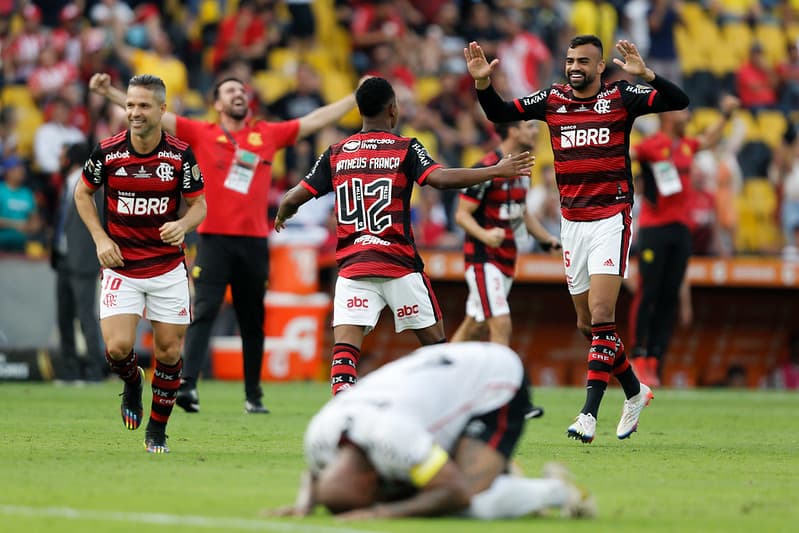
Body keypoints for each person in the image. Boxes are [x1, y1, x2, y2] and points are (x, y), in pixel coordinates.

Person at [89, 69, 360, 415]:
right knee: (204, 312)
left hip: (253, 241)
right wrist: (111, 92)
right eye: (230, 90)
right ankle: (187, 387)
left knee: (253, 318)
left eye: (242, 90)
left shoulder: (266, 134)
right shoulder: (203, 132)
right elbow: (155, 112)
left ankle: (253, 394)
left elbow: (312, 121)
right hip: (213, 238)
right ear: (217, 103)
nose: (238, 94)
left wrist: (354, 99)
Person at [464, 35, 690, 443]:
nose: (574, 67)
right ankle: (636, 392)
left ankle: (588, 414)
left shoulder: (623, 96)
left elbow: (679, 100)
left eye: (583, 61)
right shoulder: (553, 99)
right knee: (588, 325)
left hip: (611, 217)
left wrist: (647, 75)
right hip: (573, 224)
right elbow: (500, 112)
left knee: (603, 313)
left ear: (600, 66)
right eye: (570, 60)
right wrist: (483, 83)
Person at [275, 77, 535, 396]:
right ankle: (446, 405)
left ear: (360, 110)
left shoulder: (336, 153)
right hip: (398, 266)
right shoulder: (405, 148)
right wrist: (494, 170)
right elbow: (439, 179)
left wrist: (282, 215)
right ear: (393, 110)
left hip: (354, 267)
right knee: (436, 347)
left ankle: (343, 414)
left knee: (344, 352)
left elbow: (292, 198)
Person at [267, 342, 595, 519]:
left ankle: (557, 491)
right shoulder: (318, 436)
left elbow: (455, 492)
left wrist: (384, 512)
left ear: (371, 478)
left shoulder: (395, 440)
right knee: (424, 484)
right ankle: (501, 471)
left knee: (468, 504)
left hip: (493, 378)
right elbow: (316, 473)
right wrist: (305, 504)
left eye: (372, 496)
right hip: (439, 381)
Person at [74, 75, 206, 453]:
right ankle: (133, 383)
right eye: (130, 104)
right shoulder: (108, 152)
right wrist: (101, 238)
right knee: (117, 348)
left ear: (162, 110)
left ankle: (157, 431)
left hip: (166, 268)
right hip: (122, 266)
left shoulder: (179, 155)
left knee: (168, 354)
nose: (134, 112)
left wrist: (182, 224)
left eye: (143, 105)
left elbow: (200, 205)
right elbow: (82, 193)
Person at [628, 95, 740, 386]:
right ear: (667, 116)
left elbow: (709, 140)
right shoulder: (652, 144)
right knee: (648, 292)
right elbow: (625, 156)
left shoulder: (686, 146)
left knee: (669, 296)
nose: (688, 115)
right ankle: (638, 356)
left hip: (681, 231)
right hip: (654, 228)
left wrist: (725, 116)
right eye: (683, 111)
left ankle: (656, 359)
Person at [451, 120, 561, 346]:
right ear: (512, 130)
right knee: (501, 322)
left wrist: (547, 240)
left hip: (507, 258)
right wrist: (486, 235)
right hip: (484, 258)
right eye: (529, 127)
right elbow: (461, 215)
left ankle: (442, 370)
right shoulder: (485, 168)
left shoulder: (523, 170)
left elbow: (522, 213)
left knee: (475, 324)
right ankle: (502, 381)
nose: (535, 132)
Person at [51, 142, 106, 383]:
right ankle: (70, 371)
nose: (59, 158)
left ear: (72, 158)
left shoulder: (92, 186)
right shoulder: (67, 183)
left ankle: (95, 371)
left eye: (63, 154)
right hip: (63, 257)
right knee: (64, 316)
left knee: (85, 316)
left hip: (83, 260)